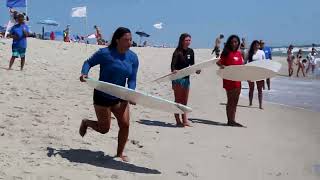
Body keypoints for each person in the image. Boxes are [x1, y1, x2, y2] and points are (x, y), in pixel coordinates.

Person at [79, 27, 139, 162]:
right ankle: (87, 122)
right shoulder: (105, 53)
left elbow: (132, 79)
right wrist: (84, 73)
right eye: (126, 40)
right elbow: (88, 62)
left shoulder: (133, 58)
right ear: (117, 40)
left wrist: (131, 92)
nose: (129, 42)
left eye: (130, 40)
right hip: (102, 95)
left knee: (125, 125)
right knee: (104, 129)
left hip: (120, 96)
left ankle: (119, 153)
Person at [171, 33, 200, 127]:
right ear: (182, 41)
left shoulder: (191, 51)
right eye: (186, 40)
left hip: (186, 78)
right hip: (177, 79)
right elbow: (173, 66)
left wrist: (197, 70)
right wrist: (174, 70)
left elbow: (192, 65)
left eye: (189, 40)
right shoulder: (177, 52)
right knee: (178, 100)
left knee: (185, 100)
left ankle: (184, 120)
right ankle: (177, 119)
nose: (188, 42)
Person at [216, 35, 244, 127]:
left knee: (235, 101)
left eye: (236, 42)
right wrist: (223, 67)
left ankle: (233, 119)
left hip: (238, 80)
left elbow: (242, 66)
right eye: (232, 42)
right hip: (229, 80)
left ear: (238, 43)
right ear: (229, 43)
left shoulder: (239, 54)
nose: (234, 43)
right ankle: (229, 120)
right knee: (230, 100)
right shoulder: (226, 53)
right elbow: (218, 62)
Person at [247, 40, 266, 109]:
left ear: (259, 46)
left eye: (258, 45)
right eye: (255, 45)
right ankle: (250, 103)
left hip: (259, 73)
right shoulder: (250, 53)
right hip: (251, 73)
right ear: (253, 45)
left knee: (259, 89)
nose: (256, 46)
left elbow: (264, 63)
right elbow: (246, 63)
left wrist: (264, 74)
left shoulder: (262, 52)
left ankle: (260, 105)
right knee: (251, 89)